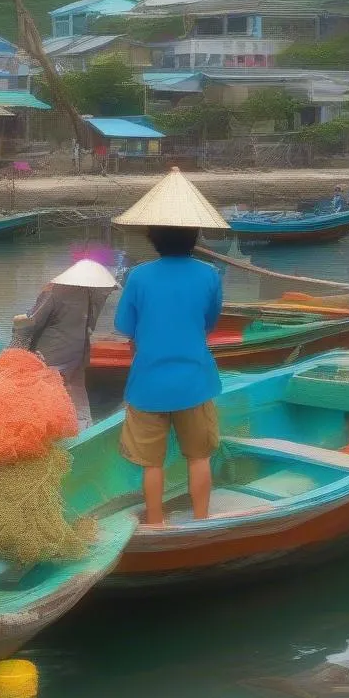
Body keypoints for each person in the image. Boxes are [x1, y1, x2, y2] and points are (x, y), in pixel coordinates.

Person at [111, 167, 230, 526]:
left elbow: (125, 329)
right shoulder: (209, 274)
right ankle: (202, 518)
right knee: (199, 457)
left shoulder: (139, 276)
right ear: (195, 236)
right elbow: (209, 323)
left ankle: (157, 521)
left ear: (152, 237)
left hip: (148, 384)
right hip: (195, 380)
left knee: (153, 463)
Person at [12, 250, 118, 431]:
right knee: (65, 397)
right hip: (65, 356)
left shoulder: (74, 293)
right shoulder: (75, 293)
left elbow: (35, 322)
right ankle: (76, 430)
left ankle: (71, 430)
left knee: (63, 398)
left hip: (65, 356)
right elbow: (30, 324)